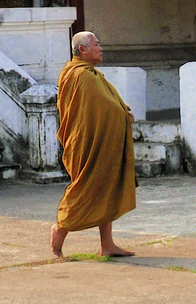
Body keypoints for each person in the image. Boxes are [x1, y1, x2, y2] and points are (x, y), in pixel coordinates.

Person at [50, 30, 137, 258]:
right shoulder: (81, 76)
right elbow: (98, 110)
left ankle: (107, 244)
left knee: (105, 189)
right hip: (88, 143)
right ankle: (60, 227)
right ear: (83, 50)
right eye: (96, 44)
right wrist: (120, 114)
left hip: (101, 140)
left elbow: (109, 104)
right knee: (87, 187)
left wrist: (123, 112)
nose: (101, 48)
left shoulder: (91, 74)